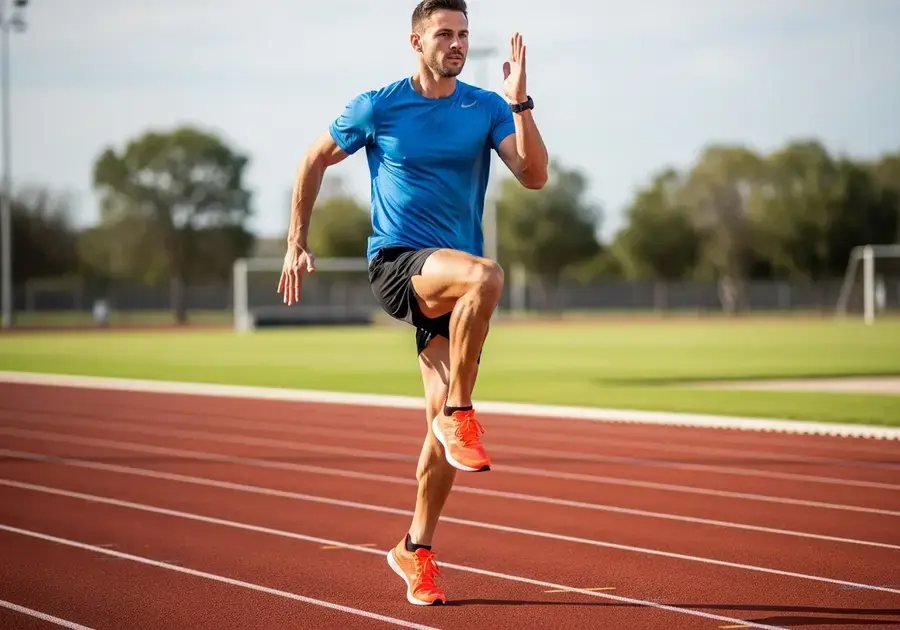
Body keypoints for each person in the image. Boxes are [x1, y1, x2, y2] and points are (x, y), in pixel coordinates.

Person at [276, 0, 548, 607]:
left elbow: (533, 176)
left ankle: (415, 549)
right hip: (400, 264)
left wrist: (521, 101)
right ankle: (462, 407)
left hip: (452, 285)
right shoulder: (379, 104)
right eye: (445, 34)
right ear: (416, 41)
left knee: (440, 439)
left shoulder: (484, 107)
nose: (456, 44)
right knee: (488, 276)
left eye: (464, 35)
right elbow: (312, 159)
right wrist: (297, 239)